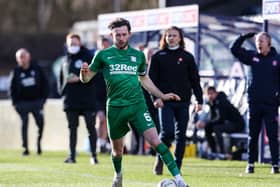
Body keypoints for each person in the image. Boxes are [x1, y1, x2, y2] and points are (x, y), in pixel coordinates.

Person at [80, 18, 189, 187]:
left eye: (124, 34)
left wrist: (162, 95)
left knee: (156, 141)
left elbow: (144, 79)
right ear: (112, 35)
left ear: (129, 34)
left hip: (137, 105)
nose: (121, 38)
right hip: (115, 108)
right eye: (118, 35)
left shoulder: (138, 56)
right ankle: (118, 174)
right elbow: (86, 79)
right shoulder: (103, 55)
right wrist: (83, 73)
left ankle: (180, 180)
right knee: (117, 152)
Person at [149, 26, 203, 175]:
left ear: (180, 38)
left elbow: (195, 80)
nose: (171, 38)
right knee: (167, 133)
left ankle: (177, 167)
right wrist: (156, 98)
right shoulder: (158, 56)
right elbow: (151, 81)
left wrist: (199, 100)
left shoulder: (187, 57)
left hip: (183, 102)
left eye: (174, 35)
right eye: (168, 36)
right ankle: (160, 158)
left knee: (181, 135)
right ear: (165, 38)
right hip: (164, 102)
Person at [230, 32, 280, 174]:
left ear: (269, 42)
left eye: (262, 40)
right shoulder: (252, 57)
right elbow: (233, 49)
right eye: (257, 40)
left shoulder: (277, 59)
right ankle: (250, 164)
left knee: (272, 135)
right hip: (254, 103)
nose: (259, 43)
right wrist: (243, 37)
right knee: (253, 135)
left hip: (271, 105)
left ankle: (275, 165)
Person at [57, 33, 98, 164]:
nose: (72, 46)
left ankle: (93, 155)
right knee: (72, 129)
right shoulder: (64, 60)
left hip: (87, 99)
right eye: (70, 44)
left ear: (80, 43)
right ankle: (72, 156)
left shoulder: (88, 57)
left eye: (75, 43)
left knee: (91, 127)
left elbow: (95, 75)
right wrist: (62, 92)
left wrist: (80, 79)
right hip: (70, 100)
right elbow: (61, 79)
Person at [9, 48, 49, 156]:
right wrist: (14, 103)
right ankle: (25, 148)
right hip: (22, 103)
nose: (22, 59)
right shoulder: (16, 72)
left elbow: (45, 84)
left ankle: (38, 143)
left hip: (37, 102)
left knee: (40, 123)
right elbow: (11, 88)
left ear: (29, 56)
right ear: (17, 59)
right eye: (20, 57)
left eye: (24, 56)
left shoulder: (37, 69)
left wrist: (43, 100)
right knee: (24, 124)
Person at [195, 86, 245, 159]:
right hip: (228, 123)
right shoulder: (213, 103)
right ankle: (214, 152)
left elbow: (220, 119)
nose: (210, 96)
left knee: (216, 128)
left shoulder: (222, 101)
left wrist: (205, 123)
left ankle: (221, 153)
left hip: (237, 124)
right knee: (208, 128)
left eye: (211, 93)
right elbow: (214, 118)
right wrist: (206, 124)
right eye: (208, 94)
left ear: (216, 93)